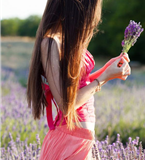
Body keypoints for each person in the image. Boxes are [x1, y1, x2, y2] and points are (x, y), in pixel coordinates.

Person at [26, 0, 131, 159]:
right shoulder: (51, 42)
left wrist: (108, 70)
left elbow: (80, 85)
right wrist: (104, 77)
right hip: (70, 142)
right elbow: (66, 104)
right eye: (90, 12)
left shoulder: (67, 40)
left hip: (84, 140)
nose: (92, 20)